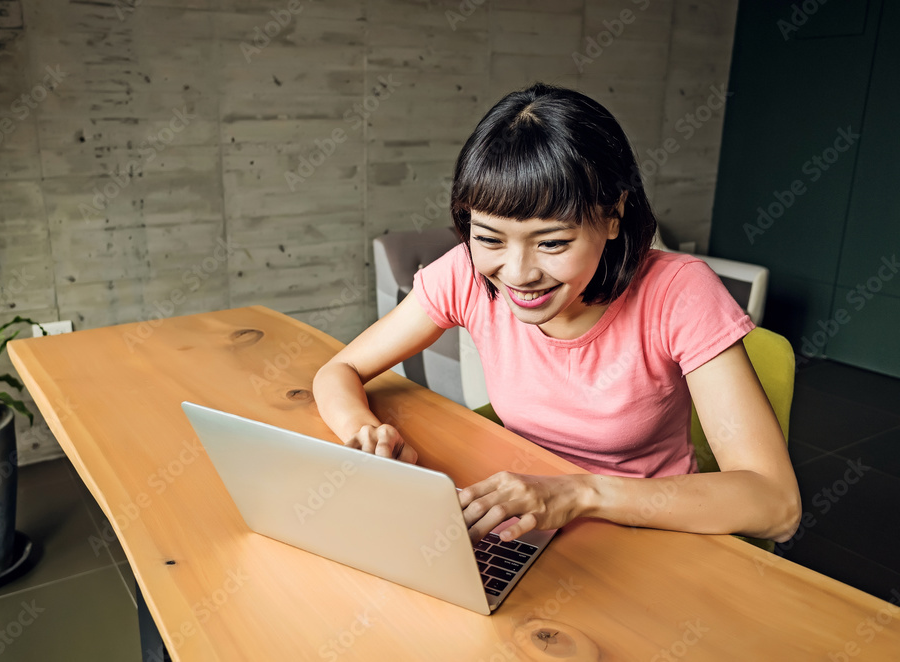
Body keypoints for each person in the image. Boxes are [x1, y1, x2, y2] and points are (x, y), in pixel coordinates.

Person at [312, 83, 801, 546]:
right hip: (528, 520)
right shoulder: (466, 271)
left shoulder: (679, 292)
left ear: (613, 217)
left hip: (651, 530)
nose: (519, 273)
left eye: (552, 243)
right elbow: (341, 370)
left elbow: (777, 505)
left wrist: (580, 494)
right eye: (488, 238)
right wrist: (365, 432)